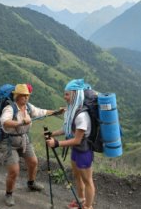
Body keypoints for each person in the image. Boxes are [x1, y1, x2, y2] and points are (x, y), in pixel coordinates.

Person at [0, 84, 57, 207]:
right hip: (9, 142)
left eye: (27, 95)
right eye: (23, 96)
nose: (26, 98)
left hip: (24, 139)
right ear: (17, 96)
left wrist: (56, 112)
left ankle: (31, 183)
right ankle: (8, 194)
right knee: (14, 171)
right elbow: (4, 122)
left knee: (33, 162)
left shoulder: (28, 108)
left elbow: (42, 112)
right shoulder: (10, 108)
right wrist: (20, 122)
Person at [46, 79, 95, 209]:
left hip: (84, 151)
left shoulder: (81, 116)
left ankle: (88, 207)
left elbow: (78, 139)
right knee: (77, 176)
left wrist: (56, 143)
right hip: (76, 150)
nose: (65, 97)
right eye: (65, 94)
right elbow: (67, 129)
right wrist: (53, 134)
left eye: (67, 94)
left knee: (87, 181)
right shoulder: (71, 111)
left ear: (75, 94)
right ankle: (81, 200)